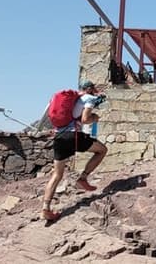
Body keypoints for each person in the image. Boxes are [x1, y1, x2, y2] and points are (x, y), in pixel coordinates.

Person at [41, 81, 108, 221]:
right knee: (102, 150)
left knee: (57, 175)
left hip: (59, 137)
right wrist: (95, 118)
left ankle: (46, 208)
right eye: (94, 89)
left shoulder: (73, 99)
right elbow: (85, 119)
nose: (95, 92)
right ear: (89, 89)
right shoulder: (88, 98)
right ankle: (83, 179)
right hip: (73, 135)